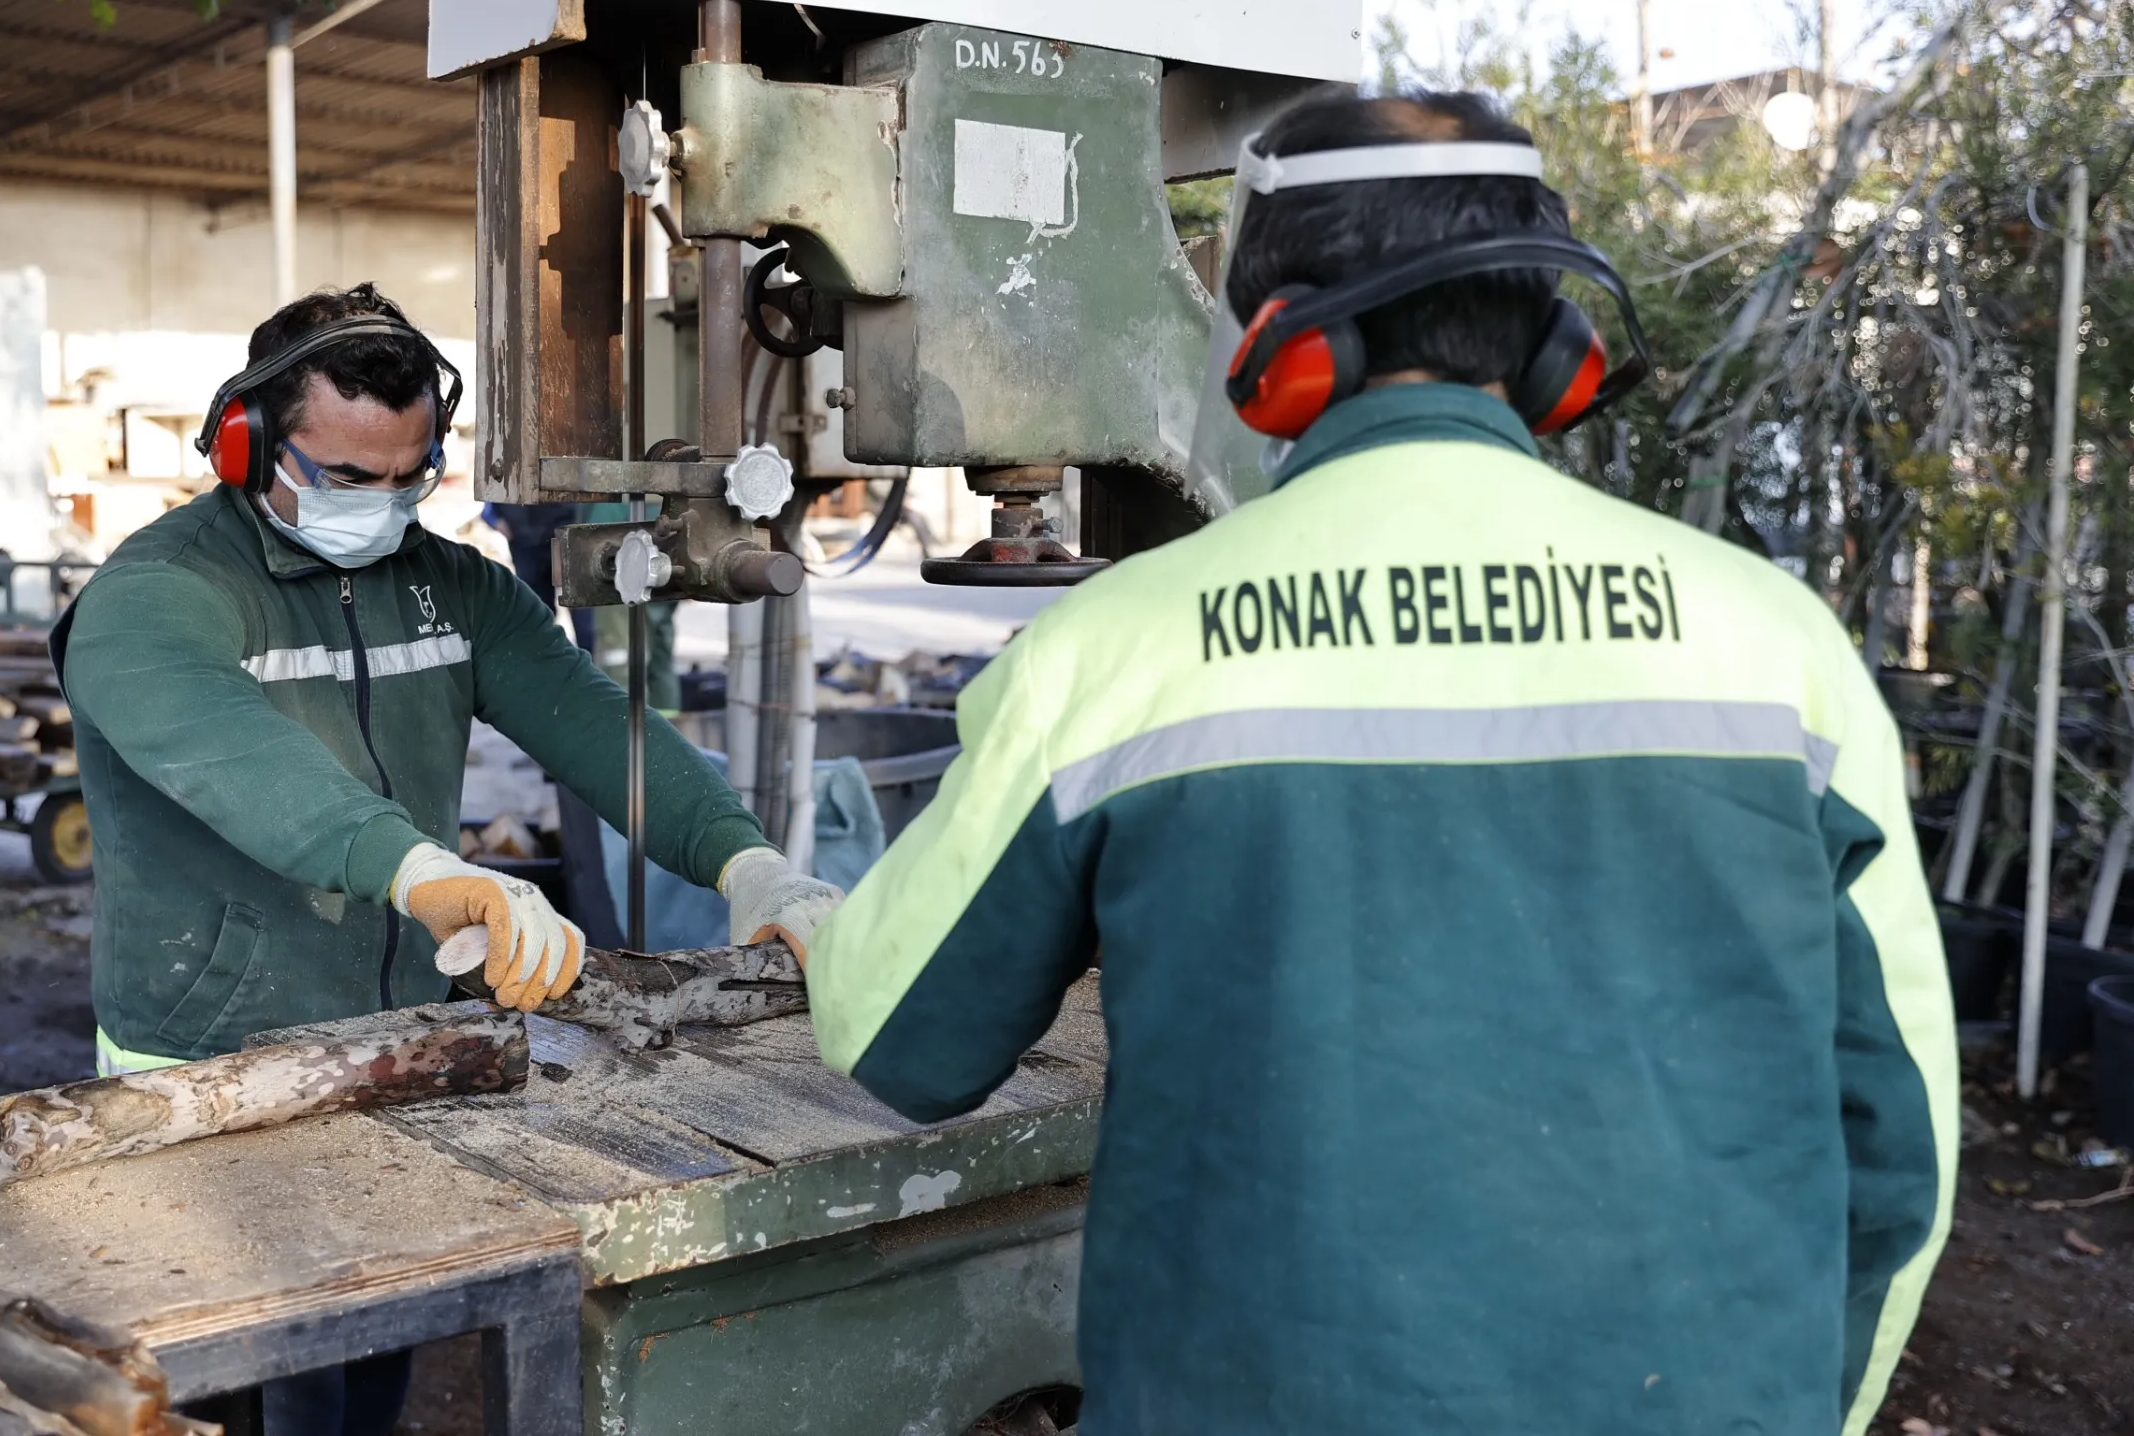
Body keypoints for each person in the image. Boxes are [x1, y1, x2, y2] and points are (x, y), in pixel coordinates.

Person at [806, 91, 1956, 1436]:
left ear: (1279, 354)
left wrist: (799, 900)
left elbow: (895, 1038)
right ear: (1553, 353)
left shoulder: (1113, 654)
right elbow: (1901, 1140)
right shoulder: (1782, 651)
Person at [52, 284, 842, 1436]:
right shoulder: (153, 597)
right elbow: (246, 764)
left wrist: (748, 863)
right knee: (209, 1385)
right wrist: (425, 871)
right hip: (202, 1058)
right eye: (343, 477)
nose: (379, 506)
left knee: (367, 1350)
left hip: (394, 1044)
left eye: (405, 477)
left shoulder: (450, 585)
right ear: (245, 442)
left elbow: (597, 726)